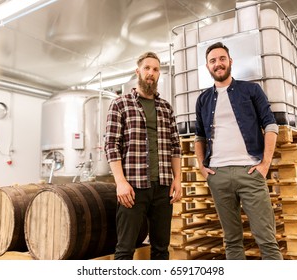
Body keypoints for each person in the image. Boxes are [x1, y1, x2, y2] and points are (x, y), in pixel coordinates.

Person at [194, 42, 283, 260]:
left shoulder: (251, 90)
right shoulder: (203, 99)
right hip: (218, 175)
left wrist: (265, 164)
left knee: (267, 240)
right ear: (207, 67)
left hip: (250, 172)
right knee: (232, 241)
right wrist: (202, 167)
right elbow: (199, 137)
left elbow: (270, 126)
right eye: (213, 61)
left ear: (230, 61)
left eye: (222, 58)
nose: (218, 64)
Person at [104, 51, 182, 260]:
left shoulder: (166, 108)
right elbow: (111, 145)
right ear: (138, 71)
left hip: (163, 187)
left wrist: (178, 180)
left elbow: (176, 146)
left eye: (155, 69)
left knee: (160, 250)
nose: (151, 73)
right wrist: (120, 182)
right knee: (124, 250)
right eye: (147, 68)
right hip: (133, 188)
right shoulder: (120, 104)